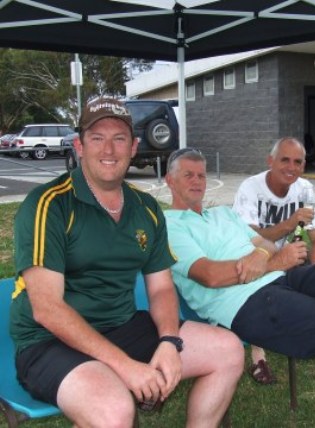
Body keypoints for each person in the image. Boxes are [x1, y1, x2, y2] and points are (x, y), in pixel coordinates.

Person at [10, 99, 244, 428]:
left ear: (134, 147)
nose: (109, 149)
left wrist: (168, 341)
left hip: (122, 326)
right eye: (96, 138)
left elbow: (161, 287)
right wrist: (126, 367)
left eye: (119, 138)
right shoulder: (49, 204)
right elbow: (47, 308)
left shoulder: (145, 208)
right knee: (115, 411)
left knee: (228, 350)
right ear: (79, 145)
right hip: (48, 341)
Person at [164, 147, 315, 426]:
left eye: (201, 175)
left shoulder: (222, 215)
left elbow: (262, 245)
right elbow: (210, 276)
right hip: (242, 301)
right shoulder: (170, 225)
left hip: (279, 278)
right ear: (169, 180)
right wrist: (272, 262)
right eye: (188, 175)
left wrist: (269, 256)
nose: (197, 181)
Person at [232, 136, 315, 384]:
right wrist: (290, 223)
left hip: (290, 258)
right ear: (270, 161)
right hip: (252, 257)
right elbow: (249, 237)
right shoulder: (250, 188)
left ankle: (311, 333)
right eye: (285, 160)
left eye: (298, 162)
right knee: (258, 285)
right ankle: (257, 354)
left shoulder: (305, 189)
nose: (291, 167)